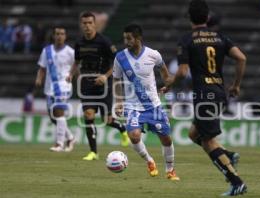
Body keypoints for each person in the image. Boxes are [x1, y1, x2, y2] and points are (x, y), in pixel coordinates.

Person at [163, 0, 247, 195]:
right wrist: (236, 85)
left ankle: (236, 182)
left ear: (189, 18)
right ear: (207, 17)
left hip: (204, 94)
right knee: (194, 134)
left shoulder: (187, 39)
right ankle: (227, 155)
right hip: (218, 92)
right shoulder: (220, 37)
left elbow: (183, 72)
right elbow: (241, 58)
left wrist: (170, 82)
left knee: (208, 141)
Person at [113, 24, 180, 181]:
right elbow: (116, 80)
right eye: (124, 38)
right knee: (134, 136)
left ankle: (170, 170)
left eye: (129, 38)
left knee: (166, 139)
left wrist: (168, 85)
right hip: (132, 106)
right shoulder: (120, 57)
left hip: (153, 106)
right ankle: (149, 161)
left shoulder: (153, 55)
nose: (126, 41)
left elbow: (165, 73)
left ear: (138, 38)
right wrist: (118, 101)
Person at [67, 11, 130, 161]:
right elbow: (77, 62)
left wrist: (105, 76)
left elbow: (117, 63)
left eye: (90, 23)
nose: (87, 26)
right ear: (81, 25)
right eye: (84, 23)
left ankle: (122, 129)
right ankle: (93, 152)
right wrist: (70, 74)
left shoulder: (104, 42)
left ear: (94, 24)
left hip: (104, 85)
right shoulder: (79, 43)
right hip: (87, 85)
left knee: (106, 120)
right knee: (88, 115)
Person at [35, 26, 75, 152]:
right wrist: (39, 78)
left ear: (65, 36)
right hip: (50, 87)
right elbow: (42, 68)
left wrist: (72, 75)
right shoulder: (46, 51)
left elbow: (77, 66)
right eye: (57, 34)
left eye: (62, 34)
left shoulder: (70, 52)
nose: (59, 36)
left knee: (58, 112)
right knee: (53, 117)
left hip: (64, 86)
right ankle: (70, 137)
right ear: (53, 36)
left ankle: (59, 143)